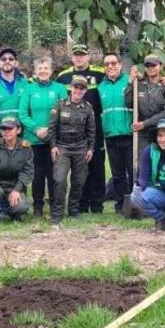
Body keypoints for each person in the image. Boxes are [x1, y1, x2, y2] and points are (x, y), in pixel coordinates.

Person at [56, 45, 107, 214]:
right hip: (72, 129)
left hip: (95, 126)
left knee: (97, 167)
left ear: (88, 57)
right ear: (72, 58)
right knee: (80, 169)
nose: (79, 58)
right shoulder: (63, 77)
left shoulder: (100, 73)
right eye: (76, 55)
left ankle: (98, 205)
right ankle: (82, 204)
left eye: (82, 55)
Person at [18, 56, 68, 217]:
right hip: (34, 139)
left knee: (54, 174)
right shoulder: (29, 89)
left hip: (54, 140)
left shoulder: (60, 88)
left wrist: (51, 130)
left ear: (51, 71)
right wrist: (36, 129)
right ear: (35, 72)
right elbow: (23, 113)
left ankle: (55, 205)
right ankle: (38, 206)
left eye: (46, 68)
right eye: (40, 69)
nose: (43, 71)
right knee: (37, 175)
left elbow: (66, 112)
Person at [49, 75, 96, 225]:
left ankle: (74, 210)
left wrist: (91, 149)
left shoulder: (88, 108)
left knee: (79, 180)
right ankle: (57, 212)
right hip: (62, 146)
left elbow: (91, 130)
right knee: (60, 179)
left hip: (80, 147)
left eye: (82, 88)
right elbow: (52, 128)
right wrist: (53, 146)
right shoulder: (60, 105)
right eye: (76, 87)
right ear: (71, 88)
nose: (78, 90)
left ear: (85, 90)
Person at [98, 53, 134, 213]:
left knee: (134, 172)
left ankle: (135, 204)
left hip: (129, 134)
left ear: (120, 64)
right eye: (107, 64)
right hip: (111, 136)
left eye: (113, 63)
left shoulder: (131, 81)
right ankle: (120, 205)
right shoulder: (101, 87)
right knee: (117, 174)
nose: (110, 66)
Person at [127, 53, 165, 141]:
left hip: (161, 130)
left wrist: (145, 124)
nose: (151, 68)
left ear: (161, 66)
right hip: (142, 132)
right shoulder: (139, 84)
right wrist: (130, 81)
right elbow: (128, 103)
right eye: (148, 65)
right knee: (143, 154)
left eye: (154, 65)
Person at [0, 46, 26, 124]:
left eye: (11, 59)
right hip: (0, 131)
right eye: (4, 59)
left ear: (16, 63)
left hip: (21, 130)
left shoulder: (25, 84)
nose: (7, 61)